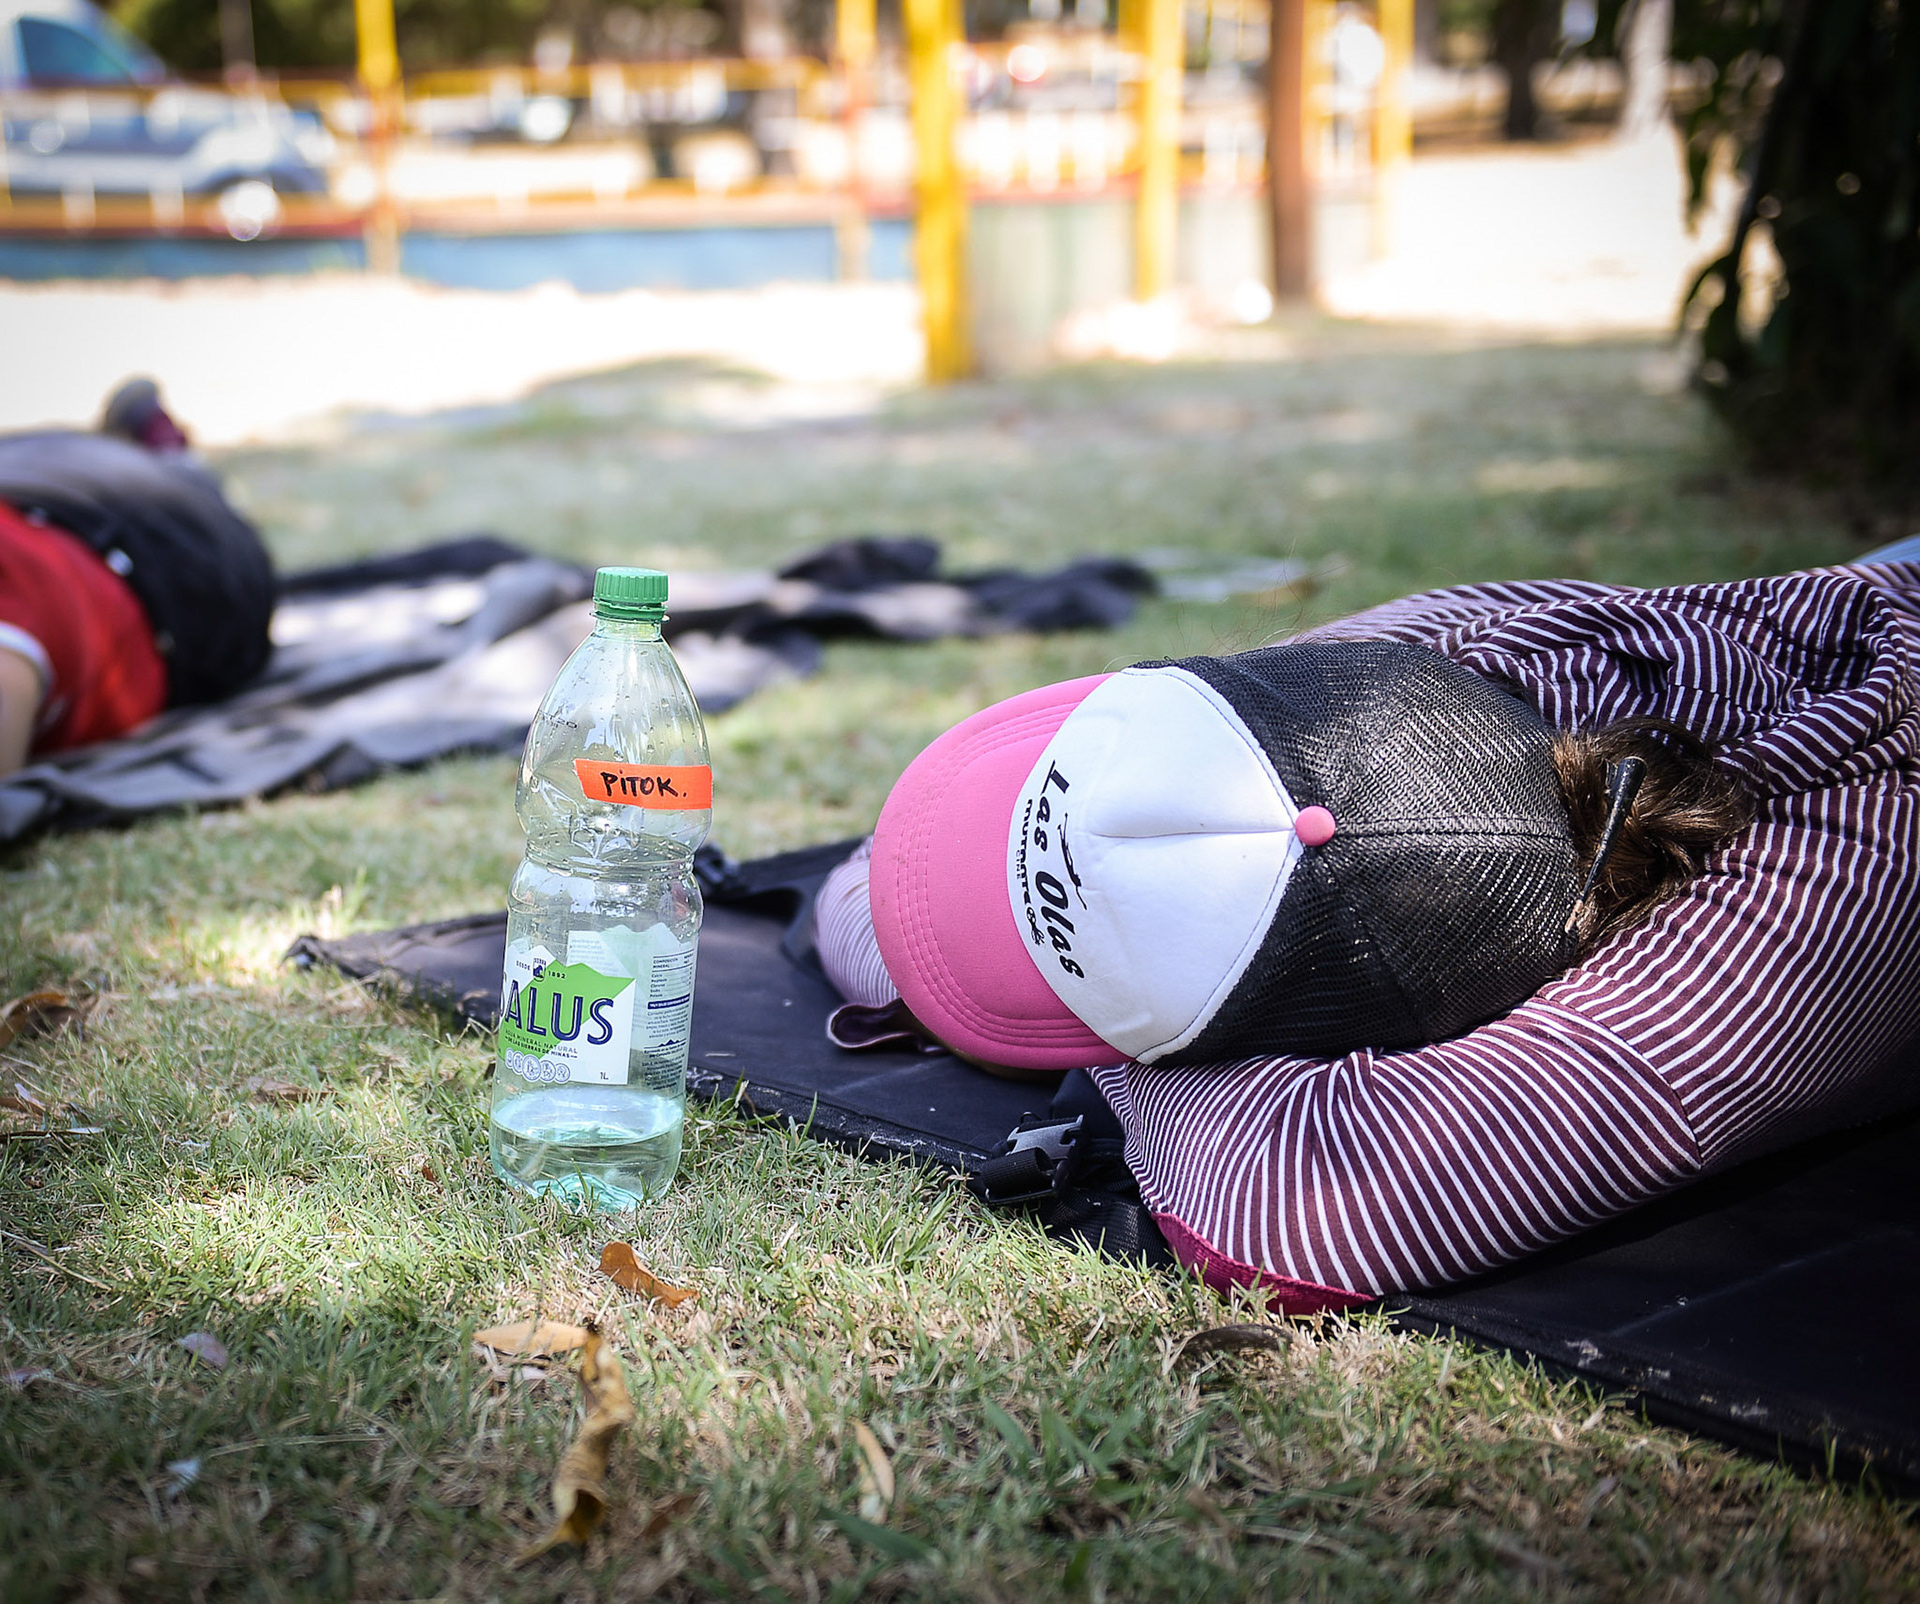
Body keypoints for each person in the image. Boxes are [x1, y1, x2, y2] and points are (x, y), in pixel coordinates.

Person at [812, 558, 1920, 1309]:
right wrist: (1135, 1001)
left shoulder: (1790, 922)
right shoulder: (1460, 651)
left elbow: (1288, 1213)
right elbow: (879, 891)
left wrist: (1132, 1047)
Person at [0, 381, 274, 777]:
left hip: (166, 549)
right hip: (48, 476)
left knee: (195, 496)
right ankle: (157, 442)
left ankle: (165, 447)